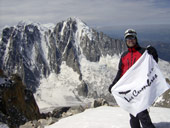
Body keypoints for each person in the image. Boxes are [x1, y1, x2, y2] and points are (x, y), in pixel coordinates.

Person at [108, 29, 158, 128]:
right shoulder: (124, 56)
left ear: (136, 38)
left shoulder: (144, 52)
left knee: (142, 114)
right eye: (128, 38)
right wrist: (114, 84)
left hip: (141, 88)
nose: (130, 40)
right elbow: (120, 71)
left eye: (132, 37)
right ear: (125, 40)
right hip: (129, 90)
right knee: (133, 114)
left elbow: (153, 64)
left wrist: (154, 54)